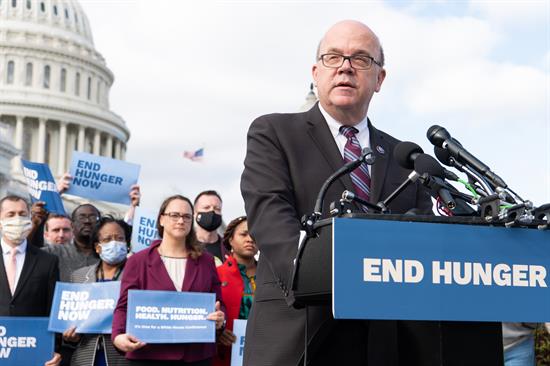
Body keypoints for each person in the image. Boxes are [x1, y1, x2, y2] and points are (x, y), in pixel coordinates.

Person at [240, 20, 436, 366]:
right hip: (299, 332)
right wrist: (333, 274)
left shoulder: (406, 157)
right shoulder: (274, 132)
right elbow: (270, 214)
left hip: (386, 341)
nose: (345, 66)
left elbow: (419, 237)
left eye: (361, 59)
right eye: (333, 57)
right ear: (316, 72)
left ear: (380, 79)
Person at [112, 194, 225, 365]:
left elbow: (218, 303)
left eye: (187, 216)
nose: (181, 221)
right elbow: (123, 306)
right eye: (174, 215)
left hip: (196, 357)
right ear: (161, 219)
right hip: (148, 355)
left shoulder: (207, 261)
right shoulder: (138, 261)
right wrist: (118, 336)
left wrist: (220, 319)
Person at [0, 195, 61, 366]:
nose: (17, 219)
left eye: (22, 214)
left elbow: (52, 310)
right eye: (10, 214)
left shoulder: (48, 261)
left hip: (33, 353)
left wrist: (53, 349)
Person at [63, 216, 132, 366]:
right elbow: (72, 319)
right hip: (86, 357)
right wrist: (71, 336)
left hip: (122, 358)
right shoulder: (79, 276)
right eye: (107, 239)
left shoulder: (137, 275)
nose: (114, 243)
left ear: (127, 244)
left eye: (120, 238)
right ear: (97, 247)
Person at [213, 216, 258, 366]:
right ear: (230, 240)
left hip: (264, 351)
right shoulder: (216, 274)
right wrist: (218, 332)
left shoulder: (272, 276)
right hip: (226, 354)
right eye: (244, 234)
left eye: (254, 234)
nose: (250, 239)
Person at [42, 203, 101, 282]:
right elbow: (29, 255)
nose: (87, 221)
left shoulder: (108, 253)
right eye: (82, 217)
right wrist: (36, 224)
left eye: (93, 217)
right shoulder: (53, 252)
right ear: (72, 226)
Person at [194, 191, 229, 266]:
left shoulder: (230, 248)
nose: (212, 211)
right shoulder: (184, 246)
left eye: (217, 209)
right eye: (206, 207)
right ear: (195, 213)